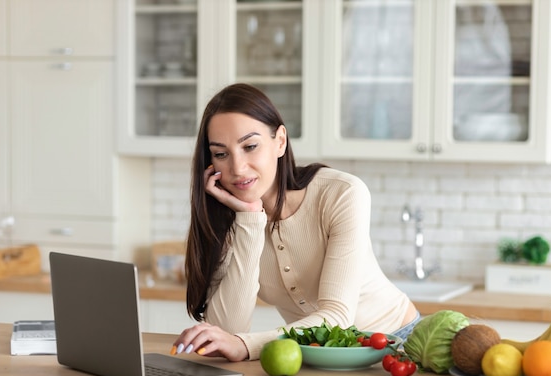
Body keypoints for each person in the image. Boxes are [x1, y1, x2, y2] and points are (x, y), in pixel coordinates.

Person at [172, 83, 419, 361]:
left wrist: (246, 346)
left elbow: (337, 317)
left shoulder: (341, 193)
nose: (237, 168)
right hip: (317, 358)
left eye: (250, 146)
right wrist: (250, 219)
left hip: (398, 344)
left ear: (280, 141)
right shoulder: (229, 219)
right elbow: (226, 332)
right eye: (221, 154)